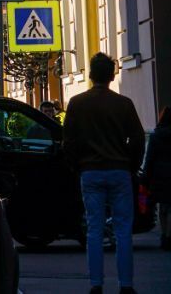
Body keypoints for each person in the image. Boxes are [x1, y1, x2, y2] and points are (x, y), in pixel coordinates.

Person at [63, 52, 145, 294]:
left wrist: (76, 165)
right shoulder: (124, 104)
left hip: (90, 172)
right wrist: (131, 164)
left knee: (95, 230)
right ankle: (126, 285)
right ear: (112, 75)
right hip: (119, 171)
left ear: (90, 75)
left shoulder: (77, 104)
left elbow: (68, 142)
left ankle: (96, 285)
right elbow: (138, 138)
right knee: (123, 231)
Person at [139, 107, 171, 250]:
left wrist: (145, 176)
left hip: (160, 176)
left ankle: (165, 235)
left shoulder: (156, 136)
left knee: (163, 207)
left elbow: (150, 158)